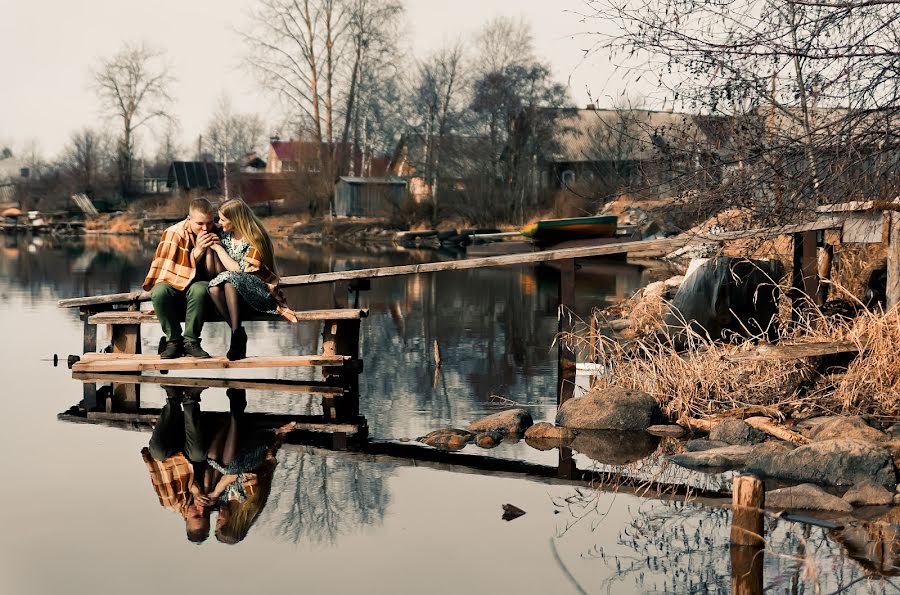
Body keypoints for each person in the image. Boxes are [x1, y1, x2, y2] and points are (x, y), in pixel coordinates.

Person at [195, 388, 295, 544]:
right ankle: (237, 408)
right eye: (220, 521)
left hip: (232, 450)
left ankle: (235, 412)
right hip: (253, 453)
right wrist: (279, 435)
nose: (218, 518)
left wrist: (206, 494)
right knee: (231, 467)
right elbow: (236, 475)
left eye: (216, 521)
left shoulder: (221, 503)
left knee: (213, 456)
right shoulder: (251, 501)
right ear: (234, 522)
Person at [204, 198, 297, 360]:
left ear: (236, 220)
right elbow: (219, 271)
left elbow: (241, 271)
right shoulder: (226, 236)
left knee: (230, 281)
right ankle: (237, 333)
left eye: (223, 220)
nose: (220, 223)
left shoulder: (255, 238)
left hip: (260, 293)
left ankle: (237, 338)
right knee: (213, 287)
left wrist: (218, 249)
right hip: (233, 297)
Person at [142, 197, 220, 359]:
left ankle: (191, 342)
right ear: (189, 219)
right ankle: (173, 341)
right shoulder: (173, 233)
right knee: (159, 292)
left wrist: (211, 250)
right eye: (200, 224)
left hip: (200, 291)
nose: (205, 229)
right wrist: (198, 252)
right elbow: (167, 274)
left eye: (210, 223)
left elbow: (215, 275)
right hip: (174, 287)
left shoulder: (217, 232)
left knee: (201, 289)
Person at [141, 386, 213, 543]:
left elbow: (161, 467)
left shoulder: (170, 501)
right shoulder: (211, 500)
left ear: (185, 517)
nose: (201, 510)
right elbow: (211, 465)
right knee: (198, 454)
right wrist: (202, 489)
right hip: (193, 446)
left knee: (158, 452)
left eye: (196, 515)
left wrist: (192, 488)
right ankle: (190, 399)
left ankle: (173, 399)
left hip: (172, 450)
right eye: (205, 516)